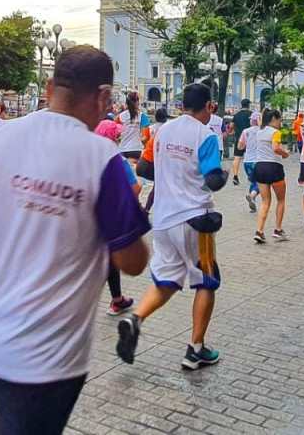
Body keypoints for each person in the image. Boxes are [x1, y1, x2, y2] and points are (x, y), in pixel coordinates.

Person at [0, 46, 150, 434]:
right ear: (105, 97)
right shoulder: (100, 158)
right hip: (48, 354)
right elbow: (133, 262)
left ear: (49, 85)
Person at [116, 82, 225, 370]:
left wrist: (171, 172)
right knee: (206, 281)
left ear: (181, 105)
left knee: (168, 279)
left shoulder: (162, 131)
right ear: (209, 106)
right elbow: (213, 178)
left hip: (163, 220)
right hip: (194, 219)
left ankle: (135, 318)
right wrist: (222, 175)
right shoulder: (206, 135)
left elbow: (143, 168)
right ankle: (196, 349)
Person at [95, 119, 141, 316]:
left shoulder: (87, 156)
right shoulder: (118, 161)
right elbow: (135, 188)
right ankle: (114, 300)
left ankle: (117, 299)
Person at [252, 109, 290, 243]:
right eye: (280, 120)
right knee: (281, 200)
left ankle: (259, 231)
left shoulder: (259, 132)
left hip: (260, 167)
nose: (281, 123)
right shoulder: (276, 133)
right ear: (274, 119)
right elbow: (275, 148)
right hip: (274, 167)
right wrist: (285, 153)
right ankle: (278, 229)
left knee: (265, 201)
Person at [235, 111, 261, 212]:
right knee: (260, 182)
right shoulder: (262, 131)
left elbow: (240, 146)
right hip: (258, 161)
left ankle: (252, 202)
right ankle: (252, 195)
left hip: (247, 161)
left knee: (253, 181)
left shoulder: (246, 131)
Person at [116, 92, 149, 161]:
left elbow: (115, 133)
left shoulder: (120, 116)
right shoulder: (142, 116)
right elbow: (145, 137)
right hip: (137, 149)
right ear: (137, 102)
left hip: (122, 150)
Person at [231, 99, 251, 186]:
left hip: (239, 139)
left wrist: (232, 131)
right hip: (250, 139)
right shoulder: (251, 114)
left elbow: (231, 126)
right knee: (251, 157)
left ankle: (235, 176)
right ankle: (251, 176)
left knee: (237, 157)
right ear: (248, 105)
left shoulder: (236, 115)